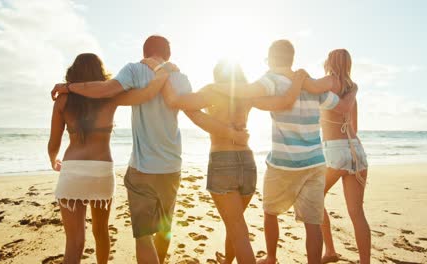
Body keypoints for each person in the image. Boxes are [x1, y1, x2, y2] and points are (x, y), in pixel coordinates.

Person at [51, 36, 248, 264]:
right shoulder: (179, 77)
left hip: (140, 169)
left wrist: (67, 88)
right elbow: (194, 115)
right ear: (168, 55)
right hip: (171, 166)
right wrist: (231, 133)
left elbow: (108, 89)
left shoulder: (132, 71)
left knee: (140, 238)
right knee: (162, 230)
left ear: (144, 53)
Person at [142, 57, 308, 263]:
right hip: (248, 162)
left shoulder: (213, 91)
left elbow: (174, 101)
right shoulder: (248, 93)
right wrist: (299, 80)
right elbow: (284, 102)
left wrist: (163, 74)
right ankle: (228, 260)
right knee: (235, 223)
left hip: (223, 161)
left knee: (238, 230)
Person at [210, 40, 354, 264]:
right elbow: (343, 107)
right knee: (313, 223)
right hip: (315, 162)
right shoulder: (311, 85)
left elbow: (245, 93)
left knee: (270, 212)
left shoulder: (272, 80)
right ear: (292, 58)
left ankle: (271, 257)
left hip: (283, 163)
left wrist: (215, 88)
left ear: (271, 58)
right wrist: (353, 90)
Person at [48, 53, 169, 263]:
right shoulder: (111, 96)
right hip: (101, 171)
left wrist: (53, 159)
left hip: (72, 172)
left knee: (74, 242)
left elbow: (54, 142)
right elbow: (147, 94)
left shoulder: (63, 100)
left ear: (73, 72)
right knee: (101, 232)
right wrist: (160, 71)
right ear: (100, 74)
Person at [304, 49, 370, 264]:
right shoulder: (351, 90)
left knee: (313, 197)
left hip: (335, 151)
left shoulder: (329, 82)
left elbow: (309, 87)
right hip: (356, 151)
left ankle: (330, 250)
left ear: (329, 61)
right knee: (357, 212)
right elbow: (355, 128)